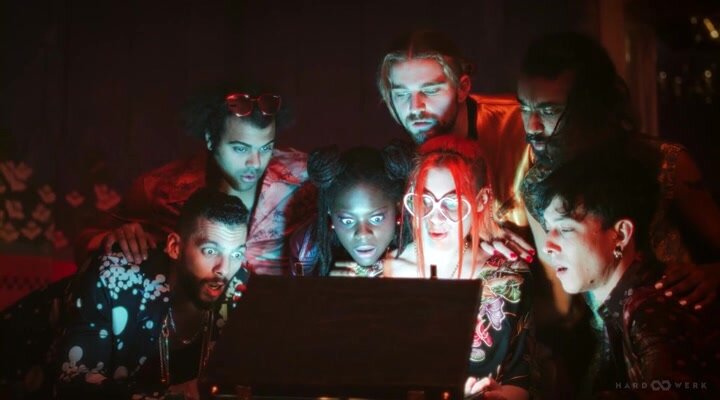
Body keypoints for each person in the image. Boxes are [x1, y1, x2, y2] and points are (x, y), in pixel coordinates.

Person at [517, 31, 720, 312]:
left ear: (590, 107)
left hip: (680, 325)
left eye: (550, 111)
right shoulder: (536, 184)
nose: (532, 126)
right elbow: (560, 290)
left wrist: (710, 276)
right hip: (605, 334)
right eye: (525, 108)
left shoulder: (664, 163)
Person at [525, 151, 719, 398]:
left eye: (565, 229)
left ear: (621, 234)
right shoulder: (623, 301)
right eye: (548, 229)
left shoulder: (652, 312)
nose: (547, 246)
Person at [76, 83, 313, 276]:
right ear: (210, 138)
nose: (256, 162)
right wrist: (115, 238)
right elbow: (86, 243)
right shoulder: (160, 189)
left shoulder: (305, 180)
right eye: (240, 149)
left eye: (266, 148)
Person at [56, 188, 250, 400]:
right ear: (175, 247)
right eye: (210, 251)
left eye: (237, 254)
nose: (224, 269)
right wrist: (173, 396)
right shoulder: (114, 278)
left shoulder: (240, 289)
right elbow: (73, 384)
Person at [385, 136, 532, 399]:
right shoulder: (376, 276)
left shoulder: (507, 280)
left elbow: (521, 378)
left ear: (481, 200)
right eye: (423, 200)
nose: (435, 217)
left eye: (452, 204)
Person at [377, 30, 534, 262]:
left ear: (463, 87)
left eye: (430, 90)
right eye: (401, 94)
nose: (415, 107)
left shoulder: (523, 126)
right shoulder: (402, 159)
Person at [291, 144, 413, 276]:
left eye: (376, 219)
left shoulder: (422, 245)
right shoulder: (306, 250)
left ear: (398, 206)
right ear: (329, 211)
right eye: (347, 221)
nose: (362, 234)